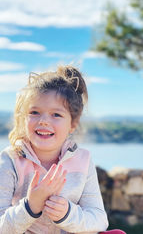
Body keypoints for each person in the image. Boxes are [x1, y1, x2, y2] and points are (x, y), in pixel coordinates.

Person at [0, 65, 126, 234]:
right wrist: (30, 207)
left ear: (72, 124)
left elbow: (99, 220)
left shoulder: (83, 160)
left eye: (56, 115)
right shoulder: (10, 160)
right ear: (23, 118)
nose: (44, 120)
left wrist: (67, 214)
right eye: (35, 112)